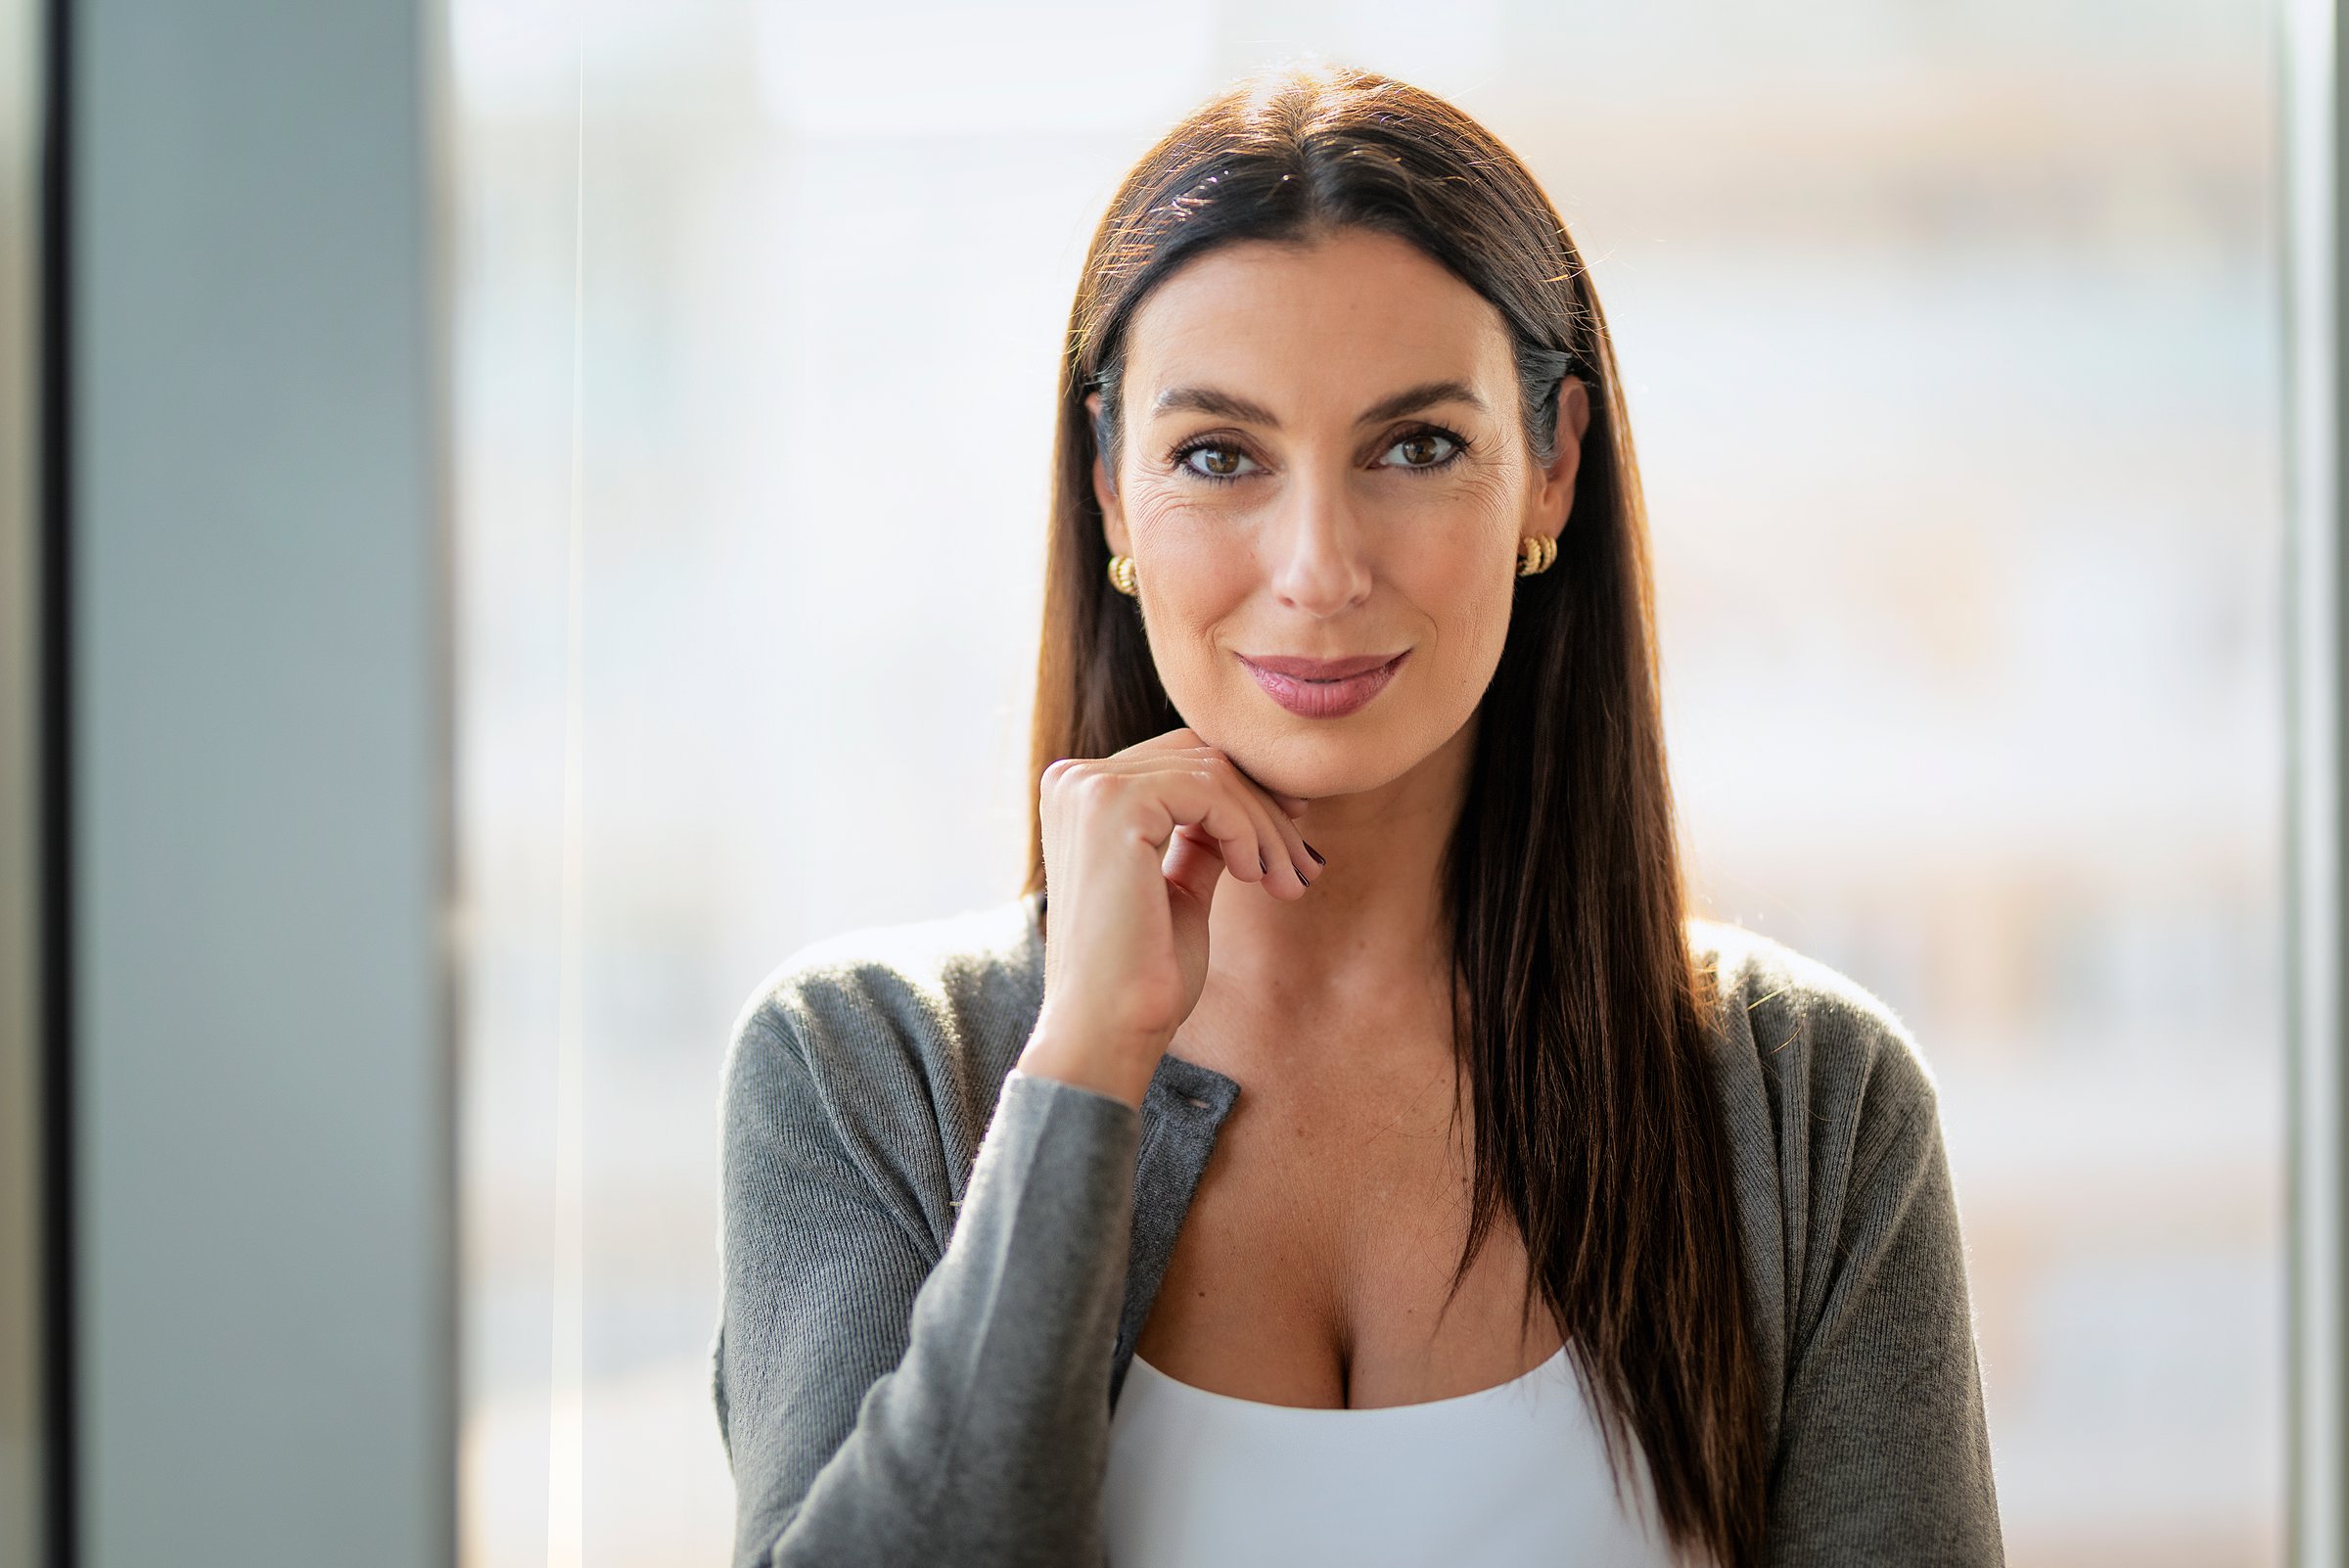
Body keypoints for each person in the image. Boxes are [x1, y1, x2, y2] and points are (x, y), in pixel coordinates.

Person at [713, 60, 2004, 1568]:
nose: (1318, 565)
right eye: (1217, 455)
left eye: (1416, 446)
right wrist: (1082, 1064)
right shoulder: (866, 1069)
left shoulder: (1808, 1103)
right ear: (1112, 494)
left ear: (1553, 467)